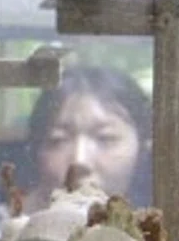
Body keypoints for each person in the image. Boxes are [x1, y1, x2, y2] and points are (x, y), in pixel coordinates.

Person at [20, 65, 153, 211]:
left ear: (142, 147)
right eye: (58, 140)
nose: (79, 160)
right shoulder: (1, 228)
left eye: (106, 138)